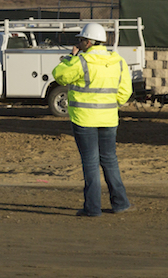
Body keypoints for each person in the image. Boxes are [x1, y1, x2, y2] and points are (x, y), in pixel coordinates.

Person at [53, 22, 132, 217]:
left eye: (81, 41)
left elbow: (59, 76)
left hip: (84, 120)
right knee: (110, 160)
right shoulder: (118, 61)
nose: (79, 44)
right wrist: (112, 104)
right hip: (109, 118)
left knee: (90, 162)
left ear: (89, 41)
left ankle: (92, 208)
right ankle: (120, 203)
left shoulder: (81, 62)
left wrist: (71, 57)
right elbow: (125, 92)